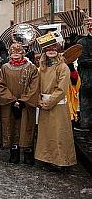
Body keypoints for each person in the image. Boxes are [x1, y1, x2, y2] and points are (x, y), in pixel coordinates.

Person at [35, 34, 77, 171]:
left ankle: (61, 161)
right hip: (43, 104)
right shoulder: (42, 67)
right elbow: (36, 84)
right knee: (46, 134)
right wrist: (38, 99)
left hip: (57, 106)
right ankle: (46, 158)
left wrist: (48, 103)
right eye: (48, 49)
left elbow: (61, 89)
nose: (51, 51)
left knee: (59, 134)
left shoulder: (63, 67)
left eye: (54, 48)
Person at [0, 42, 40, 165]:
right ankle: (14, 152)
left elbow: (34, 86)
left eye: (18, 52)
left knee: (27, 126)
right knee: (11, 125)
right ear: (10, 53)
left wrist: (23, 100)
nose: (16, 54)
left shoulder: (31, 68)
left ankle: (28, 152)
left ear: (23, 53)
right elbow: (1, 85)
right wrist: (12, 100)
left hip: (26, 103)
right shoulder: (4, 68)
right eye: (13, 52)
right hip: (10, 103)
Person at [77, 17, 92, 132]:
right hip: (88, 80)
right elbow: (83, 60)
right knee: (86, 104)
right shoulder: (82, 42)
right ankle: (85, 124)